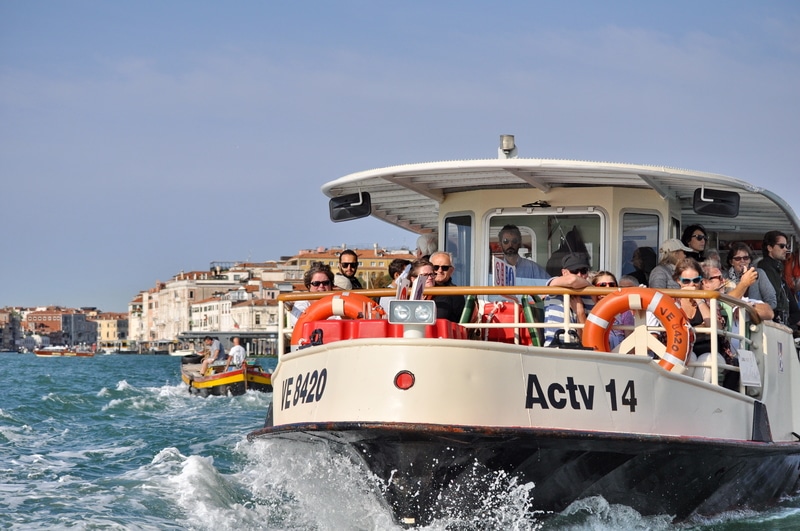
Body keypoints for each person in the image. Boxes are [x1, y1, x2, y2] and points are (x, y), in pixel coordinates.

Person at [543, 254, 595, 346]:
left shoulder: (590, 297)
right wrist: (590, 286)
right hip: (554, 347)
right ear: (564, 273)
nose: (579, 275)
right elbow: (572, 280)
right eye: (574, 271)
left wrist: (580, 313)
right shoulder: (554, 286)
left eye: (583, 271)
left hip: (580, 350)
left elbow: (586, 340)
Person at [759, 230, 800, 329]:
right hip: (773, 325)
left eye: (787, 246)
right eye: (782, 246)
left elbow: (789, 300)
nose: (785, 249)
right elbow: (776, 299)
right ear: (769, 247)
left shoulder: (777, 269)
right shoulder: (766, 267)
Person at [724, 242, 777, 310]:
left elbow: (772, 301)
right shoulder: (724, 277)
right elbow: (722, 304)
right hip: (732, 319)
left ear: (750, 260)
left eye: (746, 258)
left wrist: (754, 311)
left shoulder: (759, 274)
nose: (742, 261)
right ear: (731, 262)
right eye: (738, 258)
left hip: (756, 318)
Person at [591, 271, 631, 349]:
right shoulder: (590, 309)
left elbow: (630, 341)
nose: (608, 288)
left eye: (612, 285)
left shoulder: (625, 312)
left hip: (620, 355)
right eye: (603, 285)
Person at [429, 251, 465, 322]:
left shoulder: (455, 293)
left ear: (451, 271)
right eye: (435, 267)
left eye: (444, 268)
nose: (440, 270)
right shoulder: (420, 288)